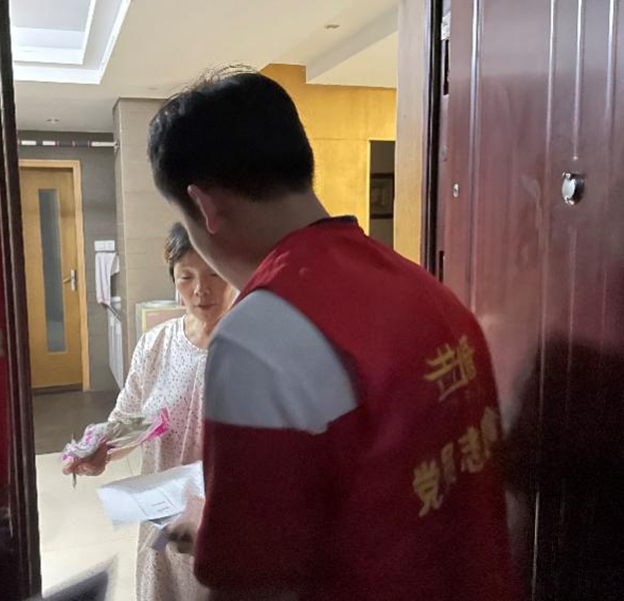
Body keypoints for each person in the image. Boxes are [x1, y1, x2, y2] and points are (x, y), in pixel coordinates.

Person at [147, 68, 521, 600]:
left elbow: (251, 583)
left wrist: (216, 534)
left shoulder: (258, 335)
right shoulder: (428, 291)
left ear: (205, 207)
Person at [64, 223, 235, 601]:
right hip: (162, 523)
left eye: (213, 273)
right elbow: (129, 420)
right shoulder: (155, 344)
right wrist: (101, 449)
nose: (201, 289)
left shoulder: (252, 347)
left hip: (224, 526)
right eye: (186, 276)